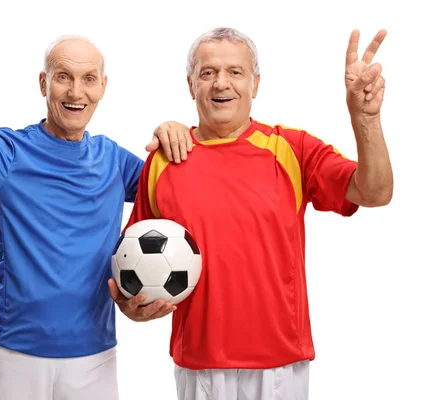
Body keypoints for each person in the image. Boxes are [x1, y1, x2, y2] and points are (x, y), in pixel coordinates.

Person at [0, 16, 192, 400]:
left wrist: (176, 130)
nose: (76, 91)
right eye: (63, 76)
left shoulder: (114, 160)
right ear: (44, 83)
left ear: (103, 87)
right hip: (16, 354)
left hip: (95, 355)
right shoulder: (7, 151)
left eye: (89, 78)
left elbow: (186, 195)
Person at [110, 27, 393, 400]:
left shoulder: (292, 148)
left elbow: (375, 192)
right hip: (200, 365)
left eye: (235, 72)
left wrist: (365, 119)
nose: (220, 83)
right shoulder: (164, 160)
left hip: (280, 365)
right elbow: (131, 263)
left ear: (255, 83)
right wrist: (133, 306)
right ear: (190, 84)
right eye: (207, 72)